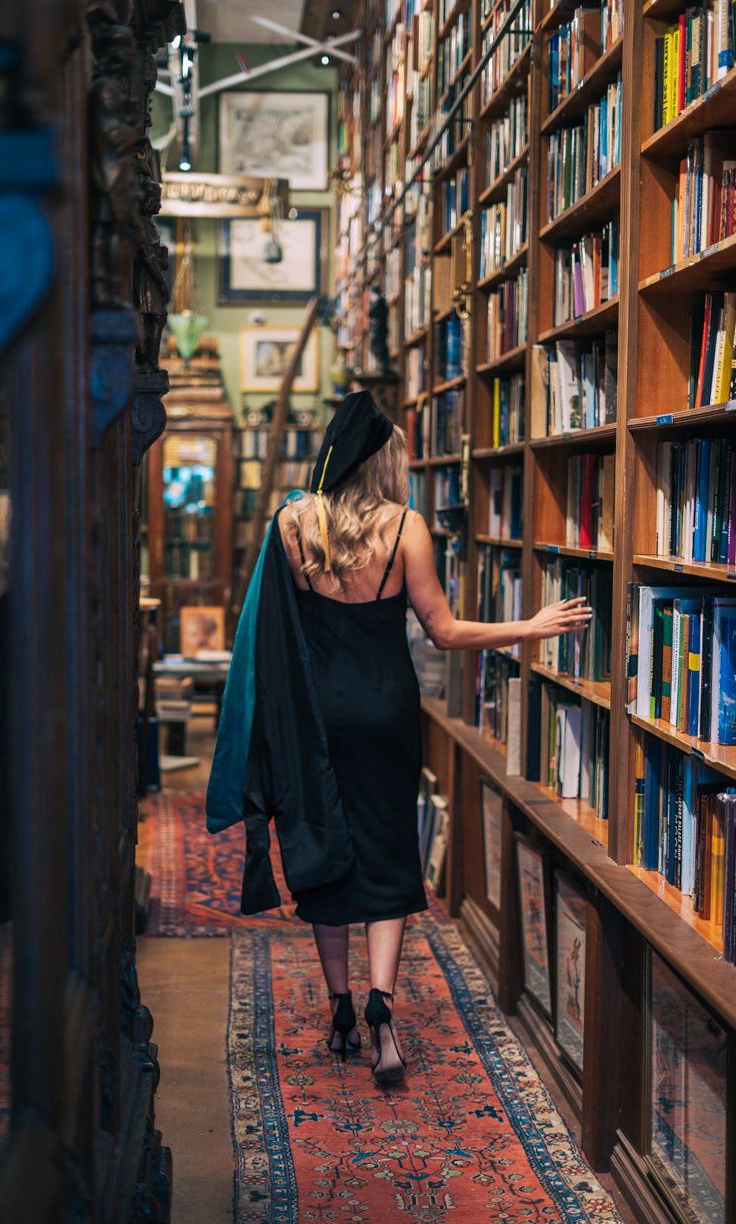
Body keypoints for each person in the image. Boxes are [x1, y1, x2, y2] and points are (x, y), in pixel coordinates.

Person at [207, 391, 591, 1087]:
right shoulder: (407, 527)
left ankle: (341, 1012)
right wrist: (529, 627)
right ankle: (383, 1006)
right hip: (386, 711)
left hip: (317, 715)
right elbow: (443, 632)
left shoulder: (291, 525)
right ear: (384, 462)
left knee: (325, 846)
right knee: (386, 848)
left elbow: (270, 627)